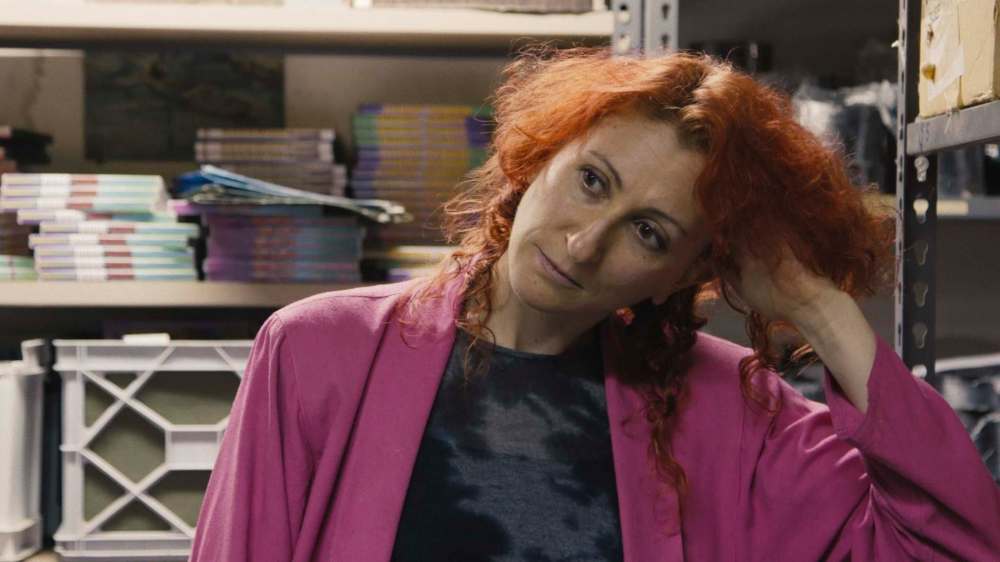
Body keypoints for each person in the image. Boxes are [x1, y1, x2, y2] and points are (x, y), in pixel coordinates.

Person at [190, 48, 1000, 561]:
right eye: (591, 180)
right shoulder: (317, 351)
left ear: (683, 273)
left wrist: (817, 305)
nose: (583, 245)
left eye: (648, 232)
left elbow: (951, 547)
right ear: (541, 152)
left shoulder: (735, 413)